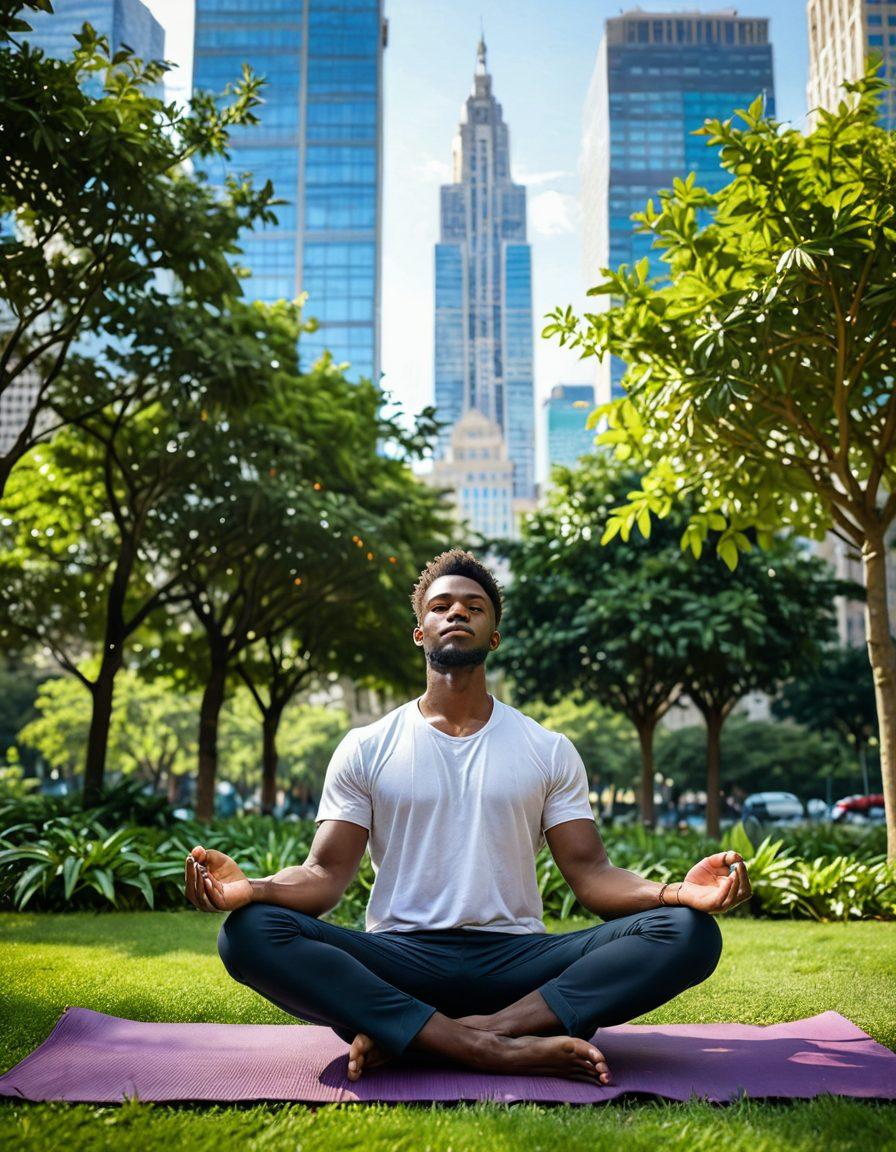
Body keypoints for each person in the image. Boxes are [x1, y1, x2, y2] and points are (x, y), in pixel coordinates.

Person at [184, 549, 751, 1086]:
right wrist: (251, 889)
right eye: (441, 606)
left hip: (518, 965)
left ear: (494, 635)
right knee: (248, 933)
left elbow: (593, 876)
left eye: (474, 607)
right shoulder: (365, 746)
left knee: (688, 933)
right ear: (420, 632)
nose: (457, 611)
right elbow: (325, 876)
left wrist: (677, 893)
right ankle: (493, 1048)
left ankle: (444, 1036)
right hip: (398, 960)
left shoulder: (546, 748)